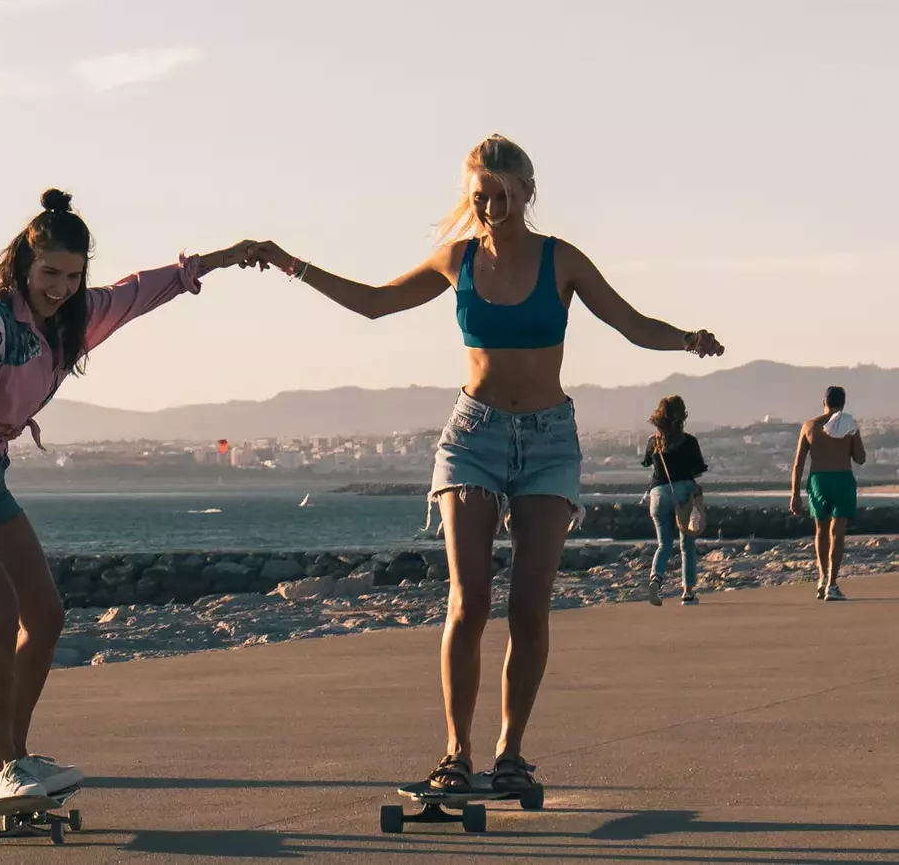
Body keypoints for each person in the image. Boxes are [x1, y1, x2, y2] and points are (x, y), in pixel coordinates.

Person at [240, 135, 723, 798]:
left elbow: (631, 324)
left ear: (526, 194)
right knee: (467, 603)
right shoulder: (456, 259)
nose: (492, 208)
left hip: (549, 442)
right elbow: (374, 302)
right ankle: (453, 754)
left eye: (503, 196)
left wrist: (685, 339)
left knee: (528, 608)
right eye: (481, 197)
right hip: (472, 437)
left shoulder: (561, 261)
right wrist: (292, 265)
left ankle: (511, 754)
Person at [0, 187, 256, 814]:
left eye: (72, 275)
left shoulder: (74, 320)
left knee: (46, 616)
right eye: (49, 274)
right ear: (23, 266)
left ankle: (19, 754)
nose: (61, 286)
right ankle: (2, 766)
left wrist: (226, 257)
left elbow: (145, 289)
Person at [793, 386, 869, 601]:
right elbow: (860, 458)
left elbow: (798, 463)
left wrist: (794, 494)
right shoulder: (849, 425)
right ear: (843, 404)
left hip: (818, 480)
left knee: (821, 530)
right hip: (842, 478)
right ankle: (832, 585)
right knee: (837, 533)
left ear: (823, 402)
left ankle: (821, 578)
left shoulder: (809, 426)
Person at [642, 395, 709, 606]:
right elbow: (698, 470)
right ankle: (688, 593)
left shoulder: (653, 441)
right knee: (687, 543)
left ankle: (656, 579)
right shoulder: (689, 442)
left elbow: (647, 463)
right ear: (682, 415)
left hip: (658, 495)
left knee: (663, 544)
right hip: (683, 494)